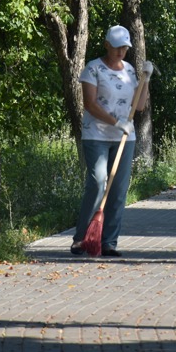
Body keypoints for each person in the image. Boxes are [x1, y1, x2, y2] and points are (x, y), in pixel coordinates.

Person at [71, 25, 152, 257]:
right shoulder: (93, 69)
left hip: (126, 138)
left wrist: (145, 80)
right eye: (117, 48)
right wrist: (115, 122)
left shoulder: (128, 70)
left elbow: (139, 105)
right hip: (96, 134)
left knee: (118, 191)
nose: (121, 52)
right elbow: (90, 104)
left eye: (124, 48)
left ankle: (108, 242)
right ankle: (80, 239)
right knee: (98, 184)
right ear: (107, 44)